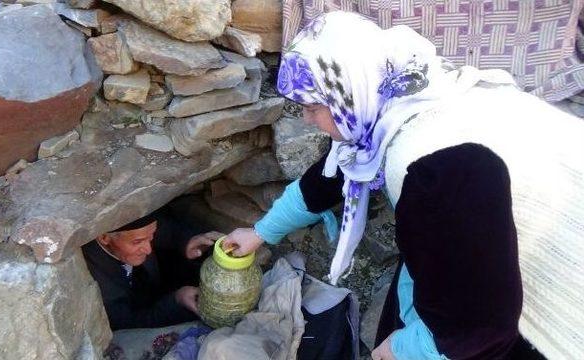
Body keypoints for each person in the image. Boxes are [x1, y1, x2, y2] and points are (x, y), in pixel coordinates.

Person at [222, 11, 542, 359]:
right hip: (468, 269)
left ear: (348, 95)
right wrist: (261, 232)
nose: (306, 119)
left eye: (313, 107)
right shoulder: (393, 97)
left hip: (530, 317)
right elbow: (327, 180)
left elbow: (479, 330)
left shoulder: (428, 170)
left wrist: (402, 348)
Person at [82, 208, 224, 331]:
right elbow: (127, 323)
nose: (148, 249)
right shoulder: (94, 277)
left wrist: (187, 242)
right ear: (104, 238)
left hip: (152, 289)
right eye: (137, 242)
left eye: (151, 237)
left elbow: (169, 231)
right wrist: (177, 300)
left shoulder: (140, 231)